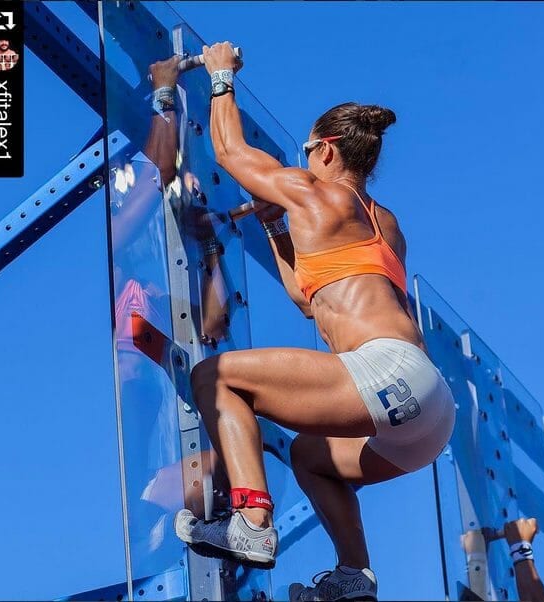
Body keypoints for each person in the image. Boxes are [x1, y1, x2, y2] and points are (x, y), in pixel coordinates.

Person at [174, 41, 456, 601]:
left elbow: (230, 151)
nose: (300, 166)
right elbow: (309, 299)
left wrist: (221, 76)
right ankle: (354, 575)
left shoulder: (313, 191)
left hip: (386, 373)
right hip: (429, 409)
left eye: (304, 153)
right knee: (310, 455)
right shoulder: (385, 223)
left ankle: (250, 523)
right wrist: (278, 231)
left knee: (215, 377)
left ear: (326, 151)